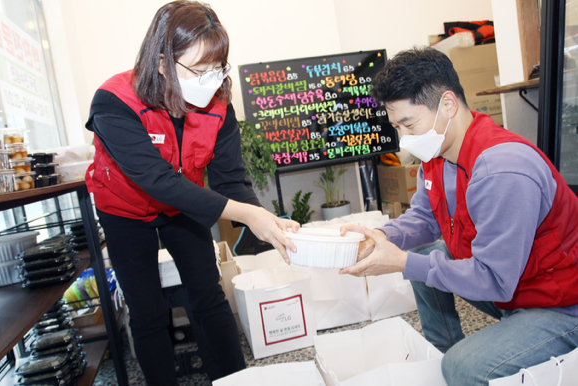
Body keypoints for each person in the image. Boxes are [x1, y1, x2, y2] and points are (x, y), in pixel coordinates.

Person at [84, 1, 299, 384]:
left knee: (208, 293)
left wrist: (264, 220)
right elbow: (156, 179)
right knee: (147, 310)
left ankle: (233, 379)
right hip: (125, 209)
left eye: (217, 68)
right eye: (199, 70)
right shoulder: (115, 102)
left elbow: (230, 180)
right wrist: (247, 216)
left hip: (183, 205)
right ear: (164, 62)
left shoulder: (218, 106)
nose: (211, 80)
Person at [339, 47, 578, 385]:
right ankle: (443, 351)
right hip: (516, 290)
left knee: (463, 367)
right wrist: (381, 237)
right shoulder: (438, 153)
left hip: (561, 305)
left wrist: (400, 263)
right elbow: (424, 219)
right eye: (397, 127)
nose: (403, 139)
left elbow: (494, 278)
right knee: (424, 255)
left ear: (448, 105)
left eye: (408, 124)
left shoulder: (503, 169)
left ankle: (460, 365)